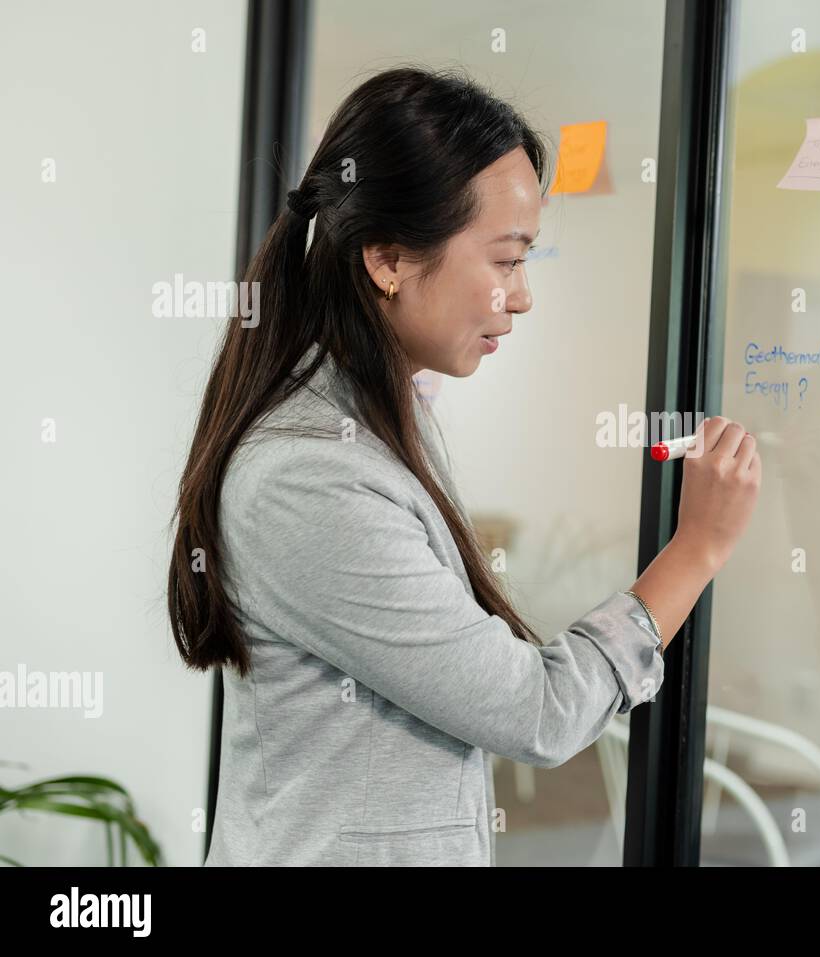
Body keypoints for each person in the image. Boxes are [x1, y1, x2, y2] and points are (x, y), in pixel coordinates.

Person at [166, 66, 761, 866]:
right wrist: (698, 549)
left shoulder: (384, 416)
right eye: (507, 260)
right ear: (386, 259)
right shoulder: (309, 475)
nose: (522, 298)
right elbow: (537, 711)